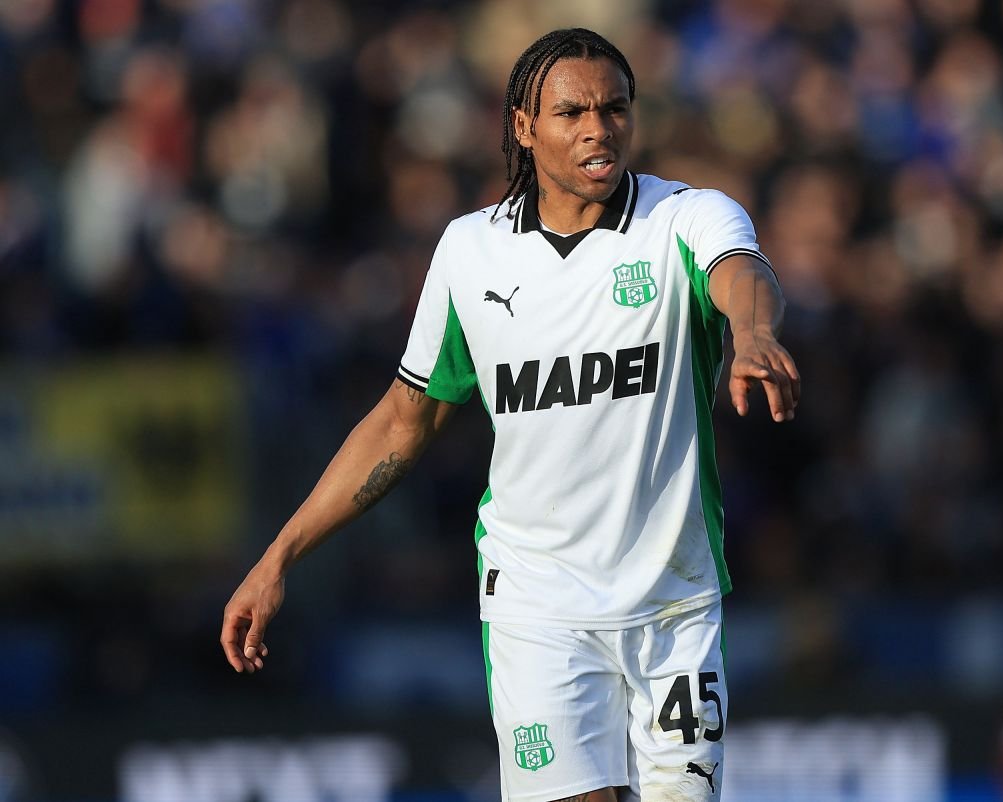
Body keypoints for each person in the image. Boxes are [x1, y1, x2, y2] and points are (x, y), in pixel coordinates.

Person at [221, 27, 799, 802]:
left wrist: (752, 334)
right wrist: (279, 557)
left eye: (615, 108)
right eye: (572, 112)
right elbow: (401, 422)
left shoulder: (684, 218)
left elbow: (742, 270)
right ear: (524, 128)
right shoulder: (471, 252)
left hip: (672, 602)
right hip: (537, 604)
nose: (598, 129)